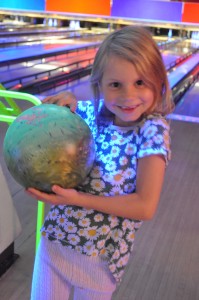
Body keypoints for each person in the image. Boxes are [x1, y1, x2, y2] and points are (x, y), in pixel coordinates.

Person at [27, 26, 174, 300]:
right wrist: (66, 103)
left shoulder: (152, 130)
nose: (128, 96)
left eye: (140, 82)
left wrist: (76, 199)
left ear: (158, 80)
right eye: (115, 84)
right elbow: (56, 117)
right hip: (54, 245)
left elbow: (144, 206)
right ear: (100, 85)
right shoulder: (93, 113)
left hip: (98, 263)